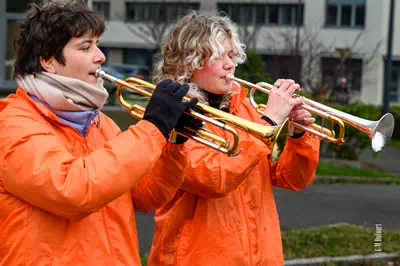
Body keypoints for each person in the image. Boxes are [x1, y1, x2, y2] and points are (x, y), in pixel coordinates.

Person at [0, 1, 197, 265]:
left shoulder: (99, 122)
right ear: (48, 61)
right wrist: (153, 127)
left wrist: (172, 143)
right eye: (86, 47)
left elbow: (144, 195)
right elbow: (74, 190)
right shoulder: (14, 125)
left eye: (97, 44)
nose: (100, 56)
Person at [147, 11, 320, 266]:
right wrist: (269, 123)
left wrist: (299, 134)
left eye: (231, 55)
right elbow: (214, 178)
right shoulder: (173, 113)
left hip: (262, 256)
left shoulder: (245, 108)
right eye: (219, 56)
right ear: (189, 61)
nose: (231, 64)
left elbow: (290, 178)